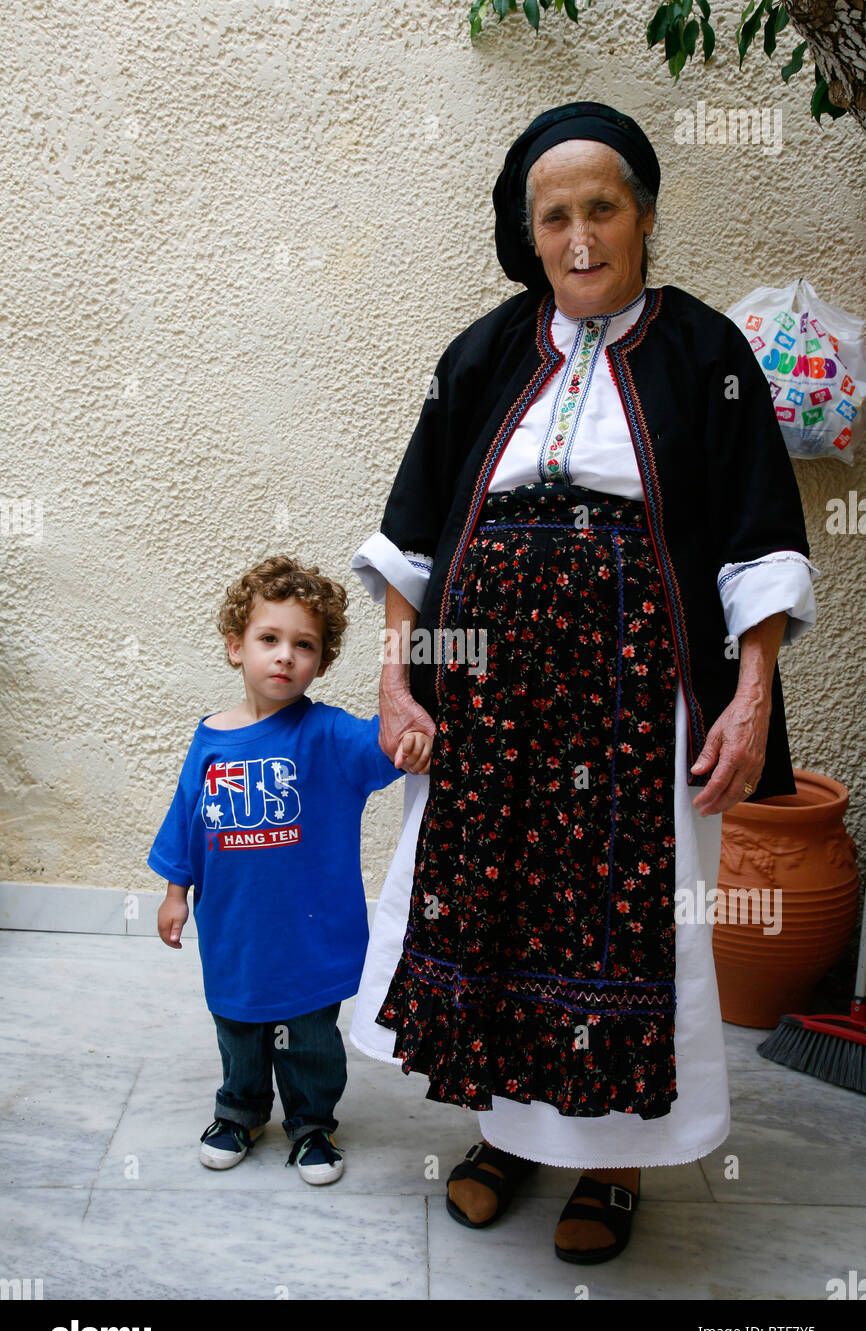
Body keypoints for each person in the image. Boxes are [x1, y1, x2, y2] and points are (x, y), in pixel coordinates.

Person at [348, 101, 819, 1261]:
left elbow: (759, 540)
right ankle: (506, 1134)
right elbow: (411, 532)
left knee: (620, 919)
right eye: (551, 215)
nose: (576, 236)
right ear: (530, 232)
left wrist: (749, 694)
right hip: (486, 676)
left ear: (643, 215)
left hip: (629, 679)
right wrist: (400, 679)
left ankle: (610, 1159)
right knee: (490, 901)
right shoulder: (485, 350)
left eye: (598, 207)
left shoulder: (706, 353)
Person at [147, 555, 431, 1184]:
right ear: (235, 647)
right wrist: (174, 894)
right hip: (234, 932)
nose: (284, 656)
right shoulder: (210, 740)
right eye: (268, 639)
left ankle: (311, 1123)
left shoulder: (327, 733)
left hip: (308, 933)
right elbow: (187, 822)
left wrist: (406, 738)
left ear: (322, 662)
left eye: (303, 645)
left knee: (308, 1038)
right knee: (240, 1028)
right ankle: (240, 1110)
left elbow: (384, 748)